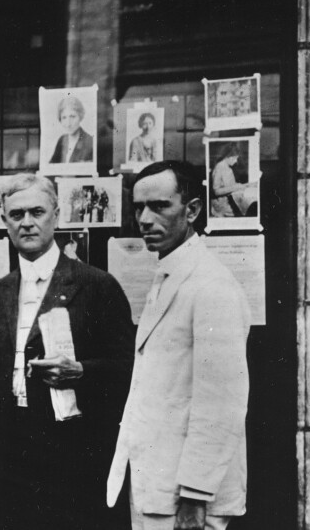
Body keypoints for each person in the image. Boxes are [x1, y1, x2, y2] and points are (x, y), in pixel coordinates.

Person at [0, 173, 134, 529]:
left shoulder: (96, 286)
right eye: (16, 215)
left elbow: (127, 370)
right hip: (7, 461)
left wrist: (81, 371)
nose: (26, 222)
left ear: (56, 216)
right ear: (5, 222)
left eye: (37, 212)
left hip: (72, 459)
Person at [107, 161, 250, 530]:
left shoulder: (211, 285)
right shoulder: (171, 273)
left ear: (192, 210)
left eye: (159, 206)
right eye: (139, 208)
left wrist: (195, 496)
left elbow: (221, 404)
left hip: (186, 498)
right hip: (157, 485)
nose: (145, 219)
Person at [49, 96, 94, 164]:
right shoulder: (62, 140)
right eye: (64, 117)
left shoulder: (90, 142)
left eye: (72, 117)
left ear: (80, 116)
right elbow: (52, 165)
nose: (68, 123)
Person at [209, 144, 251, 217]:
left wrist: (242, 186)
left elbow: (230, 186)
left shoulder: (228, 168)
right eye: (235, 158)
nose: (236, 161)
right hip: (221, 206)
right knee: (246, 212)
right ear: (228, 156)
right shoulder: (219, 167)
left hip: (229, 201)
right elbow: (216, 191)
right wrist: (235, 187)